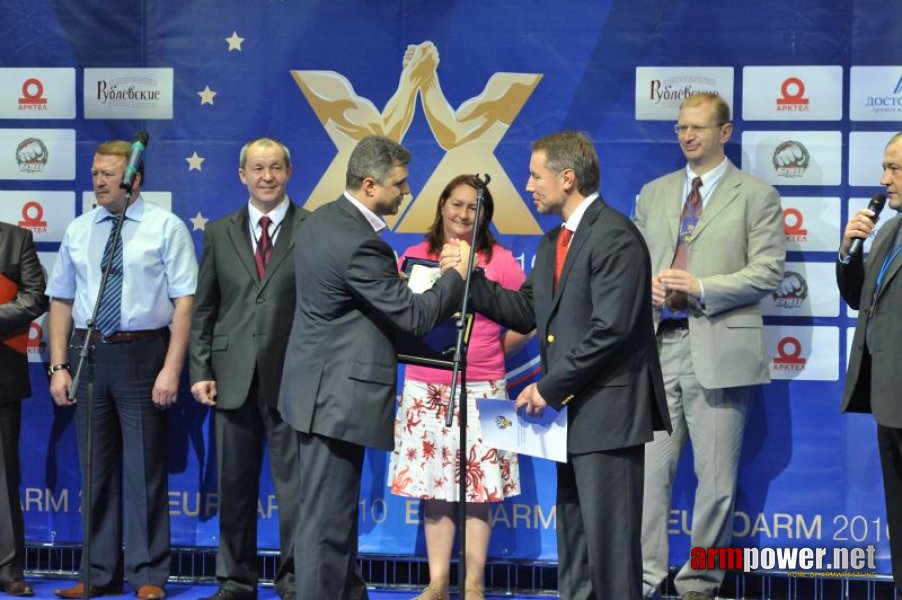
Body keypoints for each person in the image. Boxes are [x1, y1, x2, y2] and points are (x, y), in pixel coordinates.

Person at [451, 130, 669, 599]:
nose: (528, 185)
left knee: (611, 551)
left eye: (535, 175)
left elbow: (611, 330)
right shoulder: (554, 242)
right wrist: (471, 275)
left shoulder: (616, 236)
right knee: (575, 542)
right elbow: (526, 310)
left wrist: (549, 388)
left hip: (609, 416)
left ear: (567, 178)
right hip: (570, 420)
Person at [277, 135, 471, 599]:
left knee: (329, 519)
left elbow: (350, 302)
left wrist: (398, 285)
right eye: (399, 184)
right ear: (369, 186)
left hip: (316, 395)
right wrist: (454, 275)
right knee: (326, 527)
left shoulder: (323, 219)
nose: (406, 192)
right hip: (336, 400)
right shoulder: (362, 244)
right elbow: (417, 316)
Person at [634, 93, 785, 600]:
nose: (687, 136)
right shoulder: (653, 194)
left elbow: (767, 271)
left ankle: (700, 583)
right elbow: (632, 264)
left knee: (716, 481)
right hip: (658, 349)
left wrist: (700, 288)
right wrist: (646, 285)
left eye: (697, 127)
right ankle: (646, 580)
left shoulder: (756, 195)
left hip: (719, 348)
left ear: (725, 131)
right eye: (680, 128)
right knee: (650, 478)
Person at [46, 140, 198, 600]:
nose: (99, 181)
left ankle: (148, 575)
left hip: (143, 353)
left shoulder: (164, 227)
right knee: (95, 469)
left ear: (135, 179)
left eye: (109, 174)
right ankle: (96, 574)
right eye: (95, 173)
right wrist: (58, 365)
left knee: (144, 470)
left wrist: (172, 370)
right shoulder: (80, 229)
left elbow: (185, 302)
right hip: (90, 355)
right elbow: (61, 300)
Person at [388, 175, 531, 600]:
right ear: (442, 205)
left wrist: (494, 350)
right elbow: (402, 317)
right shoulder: (415, 257)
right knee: (434, 491)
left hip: (488, 387)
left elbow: (528, 316)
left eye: (474, 207)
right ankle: (437, 584)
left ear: (484, 214)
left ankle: (473, 586)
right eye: (457, 203)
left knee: (482, 492)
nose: (463, 214)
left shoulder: (501, 260)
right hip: (425, 387)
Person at [189, 138, 308, 600]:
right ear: (242, 175)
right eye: (257, 168)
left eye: (275, 167)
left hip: (292, 381)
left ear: (289, 171)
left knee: (295, 492)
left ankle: (295, 580)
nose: (266, 176)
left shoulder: (312, 228)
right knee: (234, 488)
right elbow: (205, 308)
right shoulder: (218, 232)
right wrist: (200, 369)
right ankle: (236, 581)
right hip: (230, 379)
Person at [837, 131, 902, 592]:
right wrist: (848, 249)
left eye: (894, 169)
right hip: (889, 398)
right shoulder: (891, 229)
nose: (884, 179)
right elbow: (860, 299)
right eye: (885, 167)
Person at [0, 222, 48, 597]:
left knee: (3, 475)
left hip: (2, 374)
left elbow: (35, 297)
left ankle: (7, 567)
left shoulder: (16, 240)